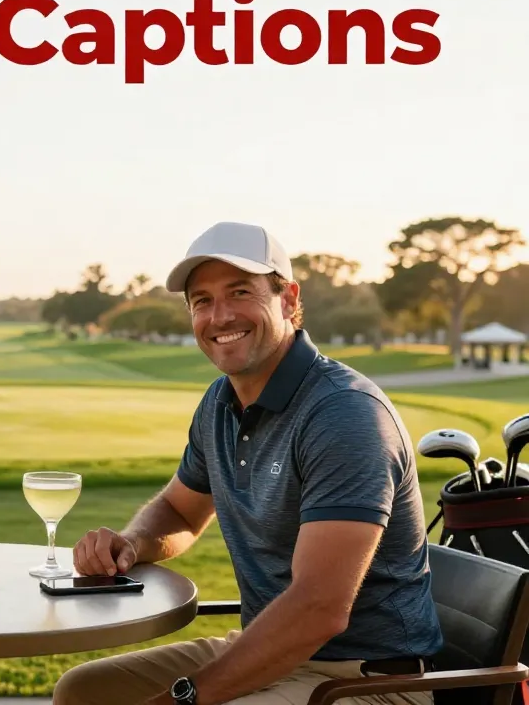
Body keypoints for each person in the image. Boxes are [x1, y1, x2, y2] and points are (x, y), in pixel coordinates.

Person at [53, 221, 442, 705]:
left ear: (288, 298)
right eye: (202, 301)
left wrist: (186, 698)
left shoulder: (345, 415)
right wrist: (131, 543)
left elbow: (319, 608)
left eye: (240, 292)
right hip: (271, 651)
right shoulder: (220, 402)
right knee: (84, 691)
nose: (220, 316)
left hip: (367, 681)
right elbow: (179, 512)